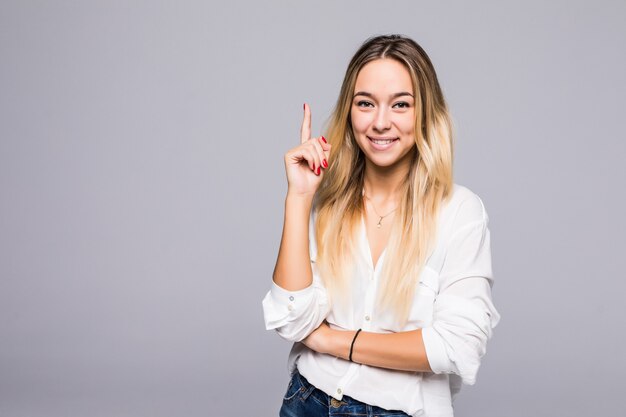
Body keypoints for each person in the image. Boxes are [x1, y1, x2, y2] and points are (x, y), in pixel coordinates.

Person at [262, 34, 500, 417]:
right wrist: (300, 198)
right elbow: (291, 319)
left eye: (400, 104)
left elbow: (457, 346)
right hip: (306, 401)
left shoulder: (460, 212)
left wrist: (330, 340)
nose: (380, 122)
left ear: (425, 113)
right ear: (350, 112)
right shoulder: (329, 203)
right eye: (366, 103)